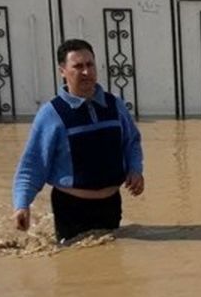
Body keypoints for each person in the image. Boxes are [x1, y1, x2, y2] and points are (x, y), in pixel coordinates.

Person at [12, 39, 144, 243]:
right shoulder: (52, 114)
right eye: (78, 66)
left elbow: (132, 142)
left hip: (111, 204)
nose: (86, 72)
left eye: (90, 65)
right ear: (63, 71)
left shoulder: (114, 105)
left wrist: (135, 169)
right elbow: (33, 164)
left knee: (114, 267)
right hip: (71, 209)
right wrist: (22, 205)